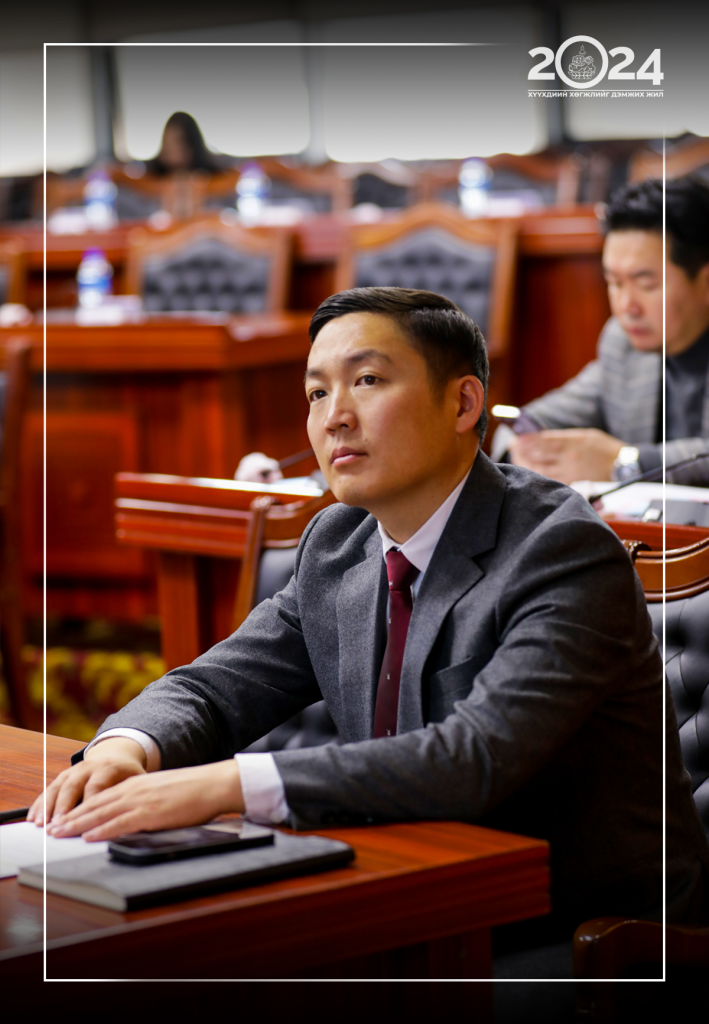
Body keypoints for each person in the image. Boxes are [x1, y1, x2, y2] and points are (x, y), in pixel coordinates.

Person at [30, 287, 709, 937]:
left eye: (367, 381)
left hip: (582, 934)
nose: (335, 416)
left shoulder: (559, 549)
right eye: (316, 392)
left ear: (463, 402)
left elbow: (472, 758)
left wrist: (220, 786)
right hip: (403, 890)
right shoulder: (337, 543)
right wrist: (127, 747)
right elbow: (214, 687)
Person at [492, 176, 709, 487]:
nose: (626, 306)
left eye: (646, 284)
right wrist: (522, 448)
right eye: (614, 283)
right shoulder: (623, 342)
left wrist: (626, 462)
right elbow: (543, 416)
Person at [145, 111, 222, 177]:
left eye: (176, 142)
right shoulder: (149, 176)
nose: (168, 148)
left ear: (191, 145)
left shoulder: (215, 177)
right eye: (165, 141)